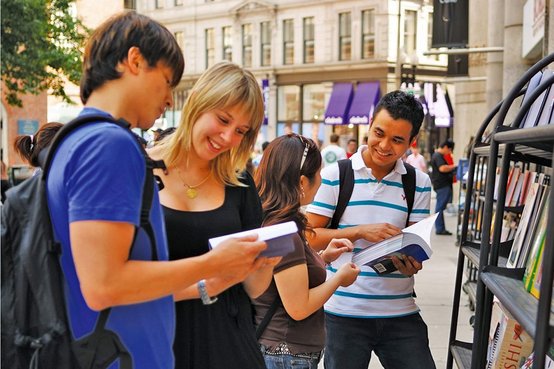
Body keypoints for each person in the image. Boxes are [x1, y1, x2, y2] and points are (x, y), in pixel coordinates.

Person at [45, 12, 267, 369]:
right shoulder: (110, 144)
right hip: (125, 351)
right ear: (135, 62)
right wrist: (212, 266)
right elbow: (104, 284)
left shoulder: (77, 139)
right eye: (166, 81)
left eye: (241, 130)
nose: (168, 98)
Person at [149, 61, 279, 369]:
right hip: (158, 337)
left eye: (240, 131)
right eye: (222, 120)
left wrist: (264, 264)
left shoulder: (240, 183)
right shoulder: (141, 170)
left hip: (229, 339)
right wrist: (205, 285)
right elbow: (121, 282)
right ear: (197, 101)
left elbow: (253, 289)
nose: (227, 137)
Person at [306, 90, 436, 369]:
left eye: (397, 140)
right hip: (343, 314)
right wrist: (359, 231)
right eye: (379, 133)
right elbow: (308, 237)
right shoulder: (335, 176)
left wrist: (411, 263)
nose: (384, 145)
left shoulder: (419, 182)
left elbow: (415, 244)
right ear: (369, 125)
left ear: (411, 143)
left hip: (400, 312)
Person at [253, 134, 360, 369]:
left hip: (283, 351)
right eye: (318, 173)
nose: (321, 180)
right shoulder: (282, 231)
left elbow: (285, 278)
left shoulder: (274, 222)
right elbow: (298, 307)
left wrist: (322, 258)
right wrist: (339, 279)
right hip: (286, 353)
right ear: (302, 182)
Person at [430, 139, 457, 235]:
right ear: (445, 147)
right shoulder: (438, 156)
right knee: (440, 207)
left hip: (442, 185)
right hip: (442, 185)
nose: (449, 152)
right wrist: (454, 166)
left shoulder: (438, 155)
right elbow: (442, 168)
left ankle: (441, 228)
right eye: (449, 150)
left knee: (440, 207)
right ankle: (440, 228)